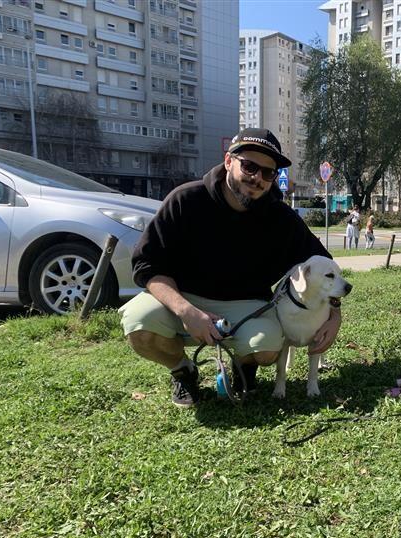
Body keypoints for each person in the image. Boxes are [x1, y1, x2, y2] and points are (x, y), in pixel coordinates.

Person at [119, 128, 342, 407]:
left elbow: (323, 264)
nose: (258, 178)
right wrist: (186, 311)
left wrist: (334, 314)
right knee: (139, 324)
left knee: (269, 346)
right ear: (228, 161)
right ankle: (182, 370)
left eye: (268, 173)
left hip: (246, 305)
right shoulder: (185, 200)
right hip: (183, 298)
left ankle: (244, 366)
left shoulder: (281, 219)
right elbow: (146, 264)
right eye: (249, 166)